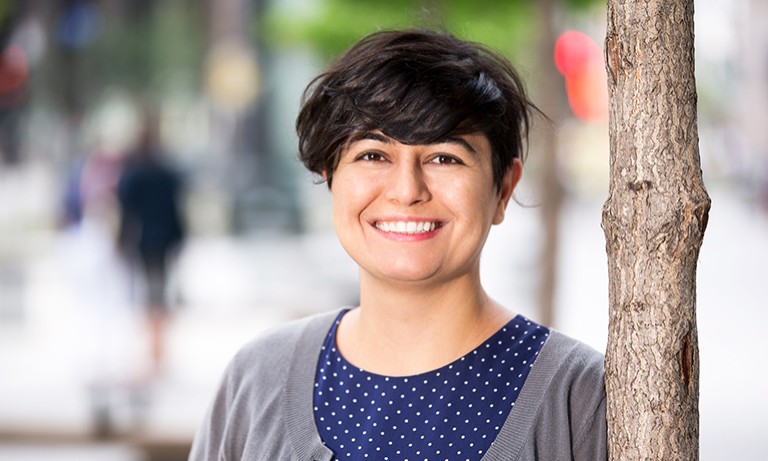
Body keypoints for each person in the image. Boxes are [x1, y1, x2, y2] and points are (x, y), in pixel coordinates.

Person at [188, 29, 606, 461]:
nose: (407, 190)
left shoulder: (580, 400)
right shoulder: (258, 381)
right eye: (373, 155)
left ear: (503, 188)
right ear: (331, 178)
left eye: (445, 158)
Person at [117, 111, 186, 381]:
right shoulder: (166, 170)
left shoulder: (134, 171)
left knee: (149, 298)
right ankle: (157, 354)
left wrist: (122, 240)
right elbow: (176, 208)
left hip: (143, 241)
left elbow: (126, 209)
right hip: (164, 240)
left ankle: (153, 354)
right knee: (157, 297)